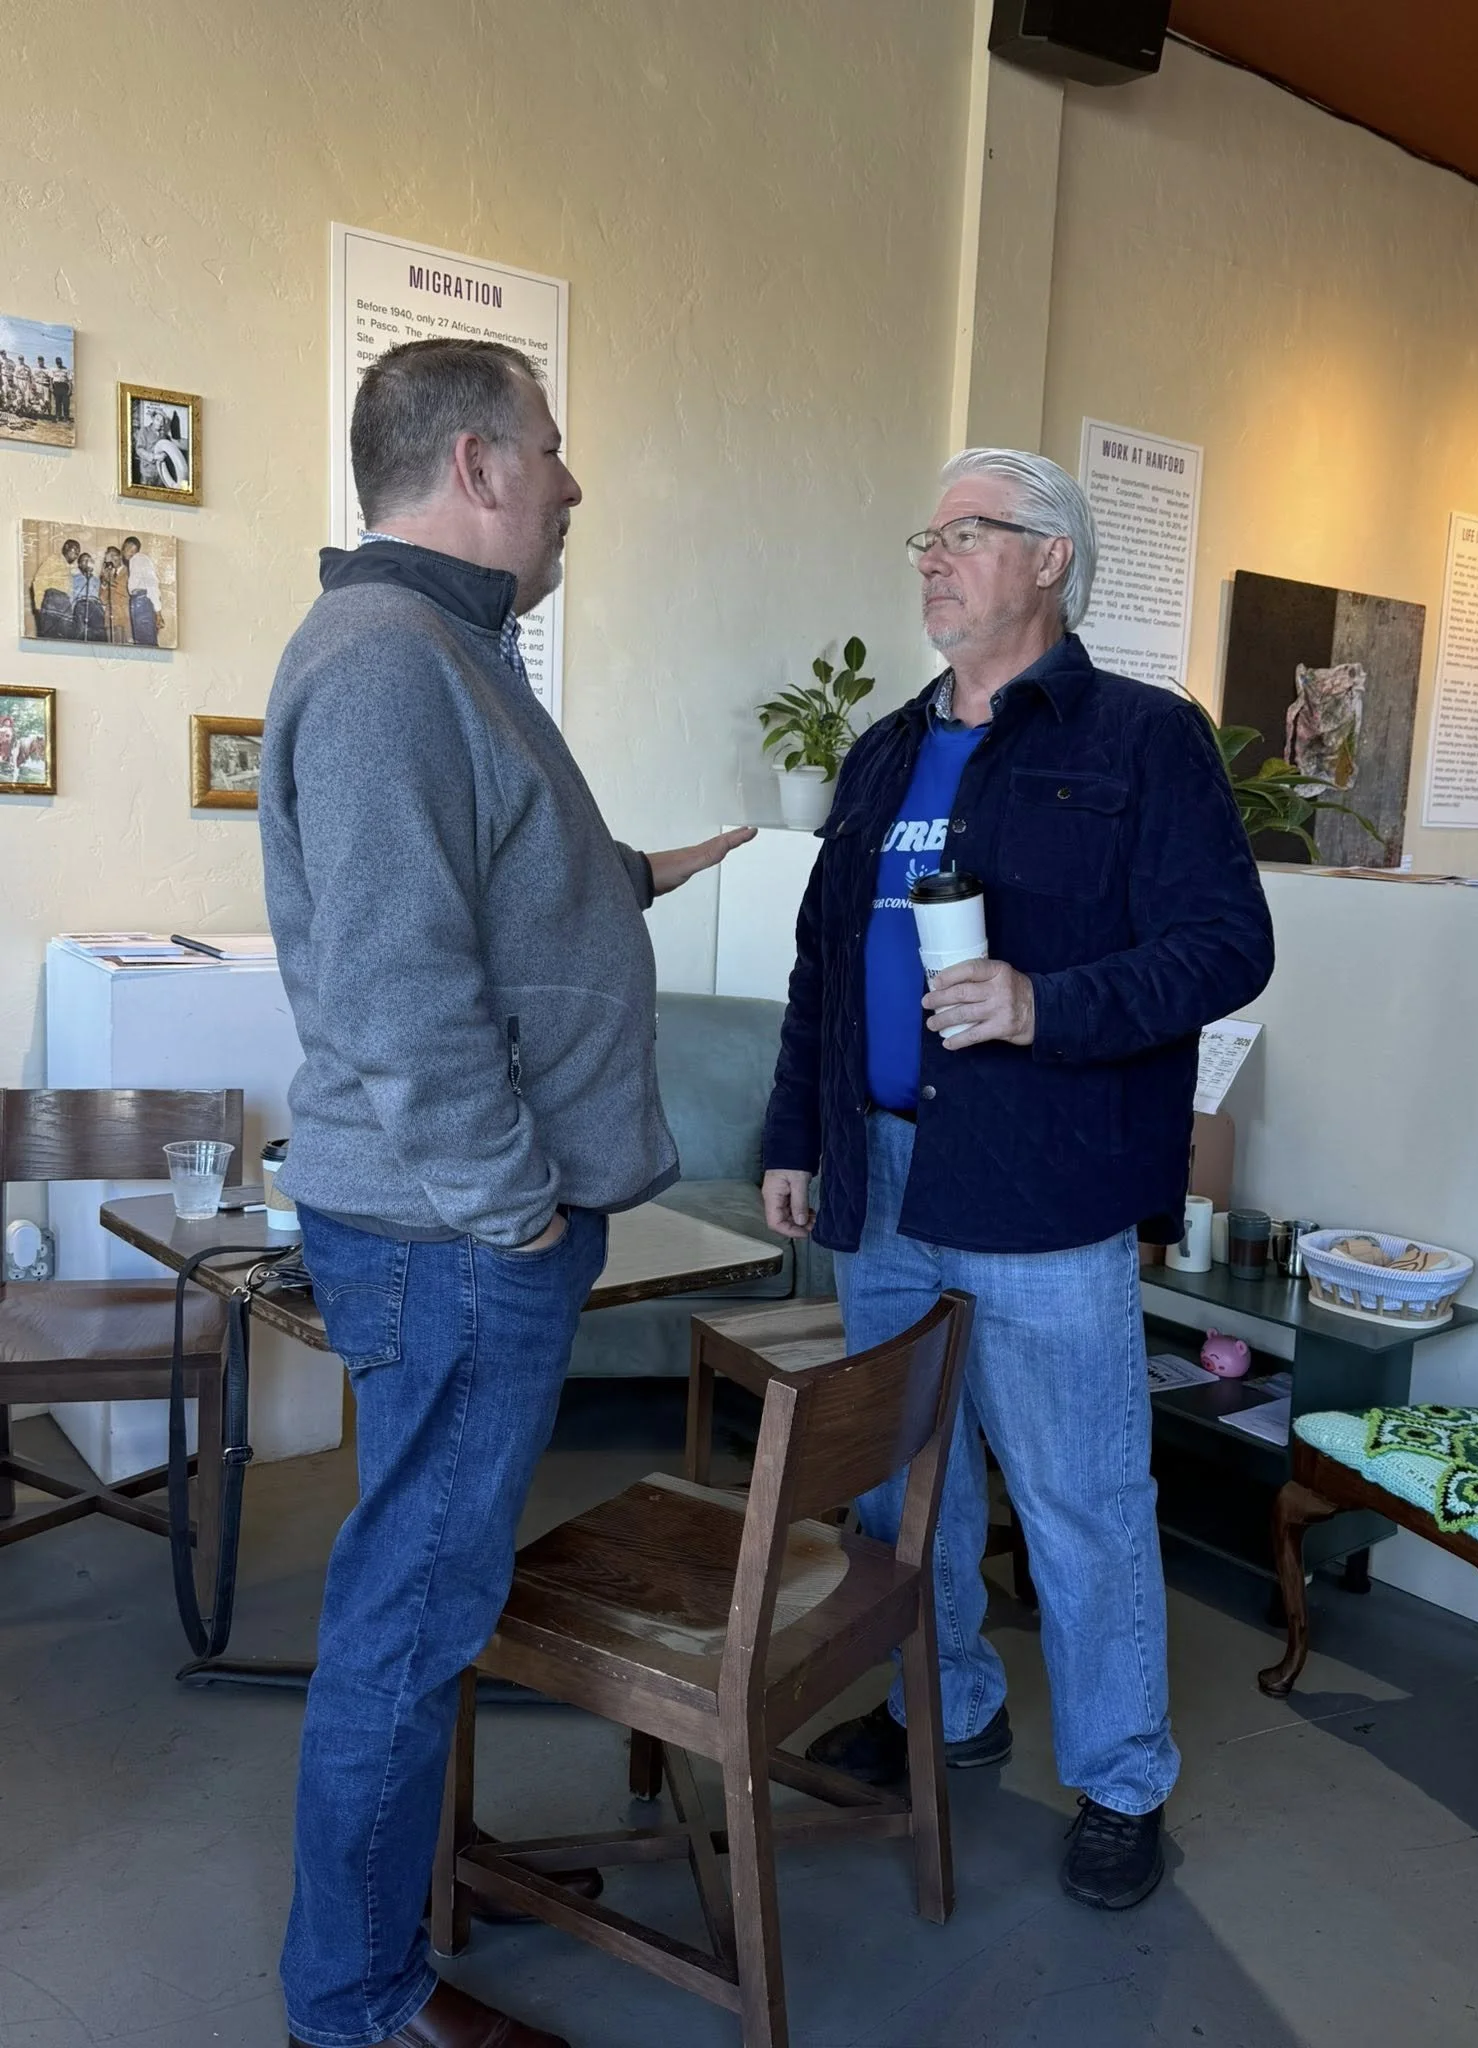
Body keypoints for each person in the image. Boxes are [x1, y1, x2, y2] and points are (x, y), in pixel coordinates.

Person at [262, 335, 752, 2048]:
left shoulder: (447, 652)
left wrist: (634, 872)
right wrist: (517, 1211)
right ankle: (358, 1999)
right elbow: (403, 988)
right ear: (475, 464)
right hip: (460, 1233)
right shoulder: (396, 662)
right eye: (550, 446)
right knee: (409, 1618)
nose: (572, 479)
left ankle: (372, 1946)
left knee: (424, 1596)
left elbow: (492, 879)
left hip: (465, 1227)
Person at [761, 448, 1274, 1914]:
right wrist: (797, 1135)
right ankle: (950, 1709)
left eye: (967, 534)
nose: (933, 558)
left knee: (1081, 1499)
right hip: (883, 1175)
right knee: (901, 1486)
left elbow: (1225, 949)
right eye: (926, 535)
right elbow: (821, 966)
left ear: (1050, 557)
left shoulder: (1140, 739)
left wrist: (1044, 1004)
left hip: (1043, 1183)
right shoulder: (879, 752)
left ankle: (1124, 1783)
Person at [30, 536, 80, 637]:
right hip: (52, 600)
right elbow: (39, 580)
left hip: (65, 605)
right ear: (66, 547)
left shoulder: (68, 568)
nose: (77, 554)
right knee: (50, 635)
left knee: (64, 638)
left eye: (78, 553)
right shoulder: (53, 559)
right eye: (75, 550)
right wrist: (39, 606)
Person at [121, 535, 162, 645]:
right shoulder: (134, 561)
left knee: (146, 642)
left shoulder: (139, 559)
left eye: (125, 548)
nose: (124, 552)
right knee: (141, 641)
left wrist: (158, 613)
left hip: (142, 601)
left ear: (127, 547)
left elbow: (152, 585)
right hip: (138, 601)